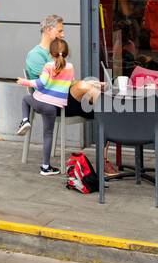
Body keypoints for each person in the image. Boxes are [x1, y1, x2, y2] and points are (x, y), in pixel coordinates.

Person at [15, 34, 104, 176]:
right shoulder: (70, 67)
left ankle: (25, 121)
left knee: (26, 99)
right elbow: (70, 84)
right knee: (48, 134)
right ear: (67, 53)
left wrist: (24, 82)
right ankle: (45, 167)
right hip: (54, 107)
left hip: (41, 102)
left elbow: (41, 83)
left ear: (50, 53)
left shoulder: (48, 66)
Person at [16, 15, 64, 136]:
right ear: (48, 30)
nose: (63, 35)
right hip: (48, 100)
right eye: (60, 31)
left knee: (91, 96)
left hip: (59, 97)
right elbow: (49, 82)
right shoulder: (35, 55)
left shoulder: (57, 53)